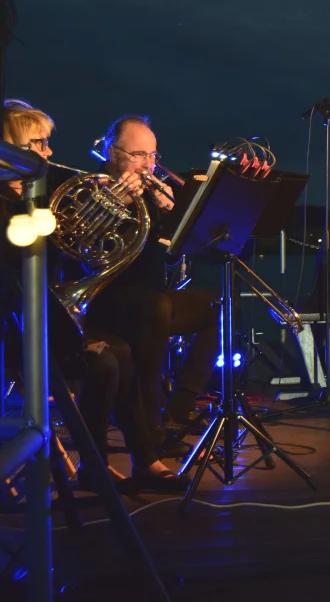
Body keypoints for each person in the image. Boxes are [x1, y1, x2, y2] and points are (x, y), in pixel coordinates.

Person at [0, 99, 185, 491]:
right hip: (12, 328)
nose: (49, 152)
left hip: (55, 315)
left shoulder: (44, 193)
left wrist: (155, 213)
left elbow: (80, 256)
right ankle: (97, 463)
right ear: (8, 146)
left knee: (123, 354)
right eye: (39, 143)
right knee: (109, 360)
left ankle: (140, 460)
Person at [82, 115, 220, 445]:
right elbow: (87, 250)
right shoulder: (92, 189)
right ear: (113, 153)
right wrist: (121, 203)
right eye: (138, 155)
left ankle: (178, 410)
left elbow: (173, 256)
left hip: (150, 296)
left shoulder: (152, 194)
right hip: (109, 301)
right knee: (155, 308)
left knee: (221, 305)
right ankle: (149, 422)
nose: (149, 164)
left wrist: (176, 217)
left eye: (153, 156)